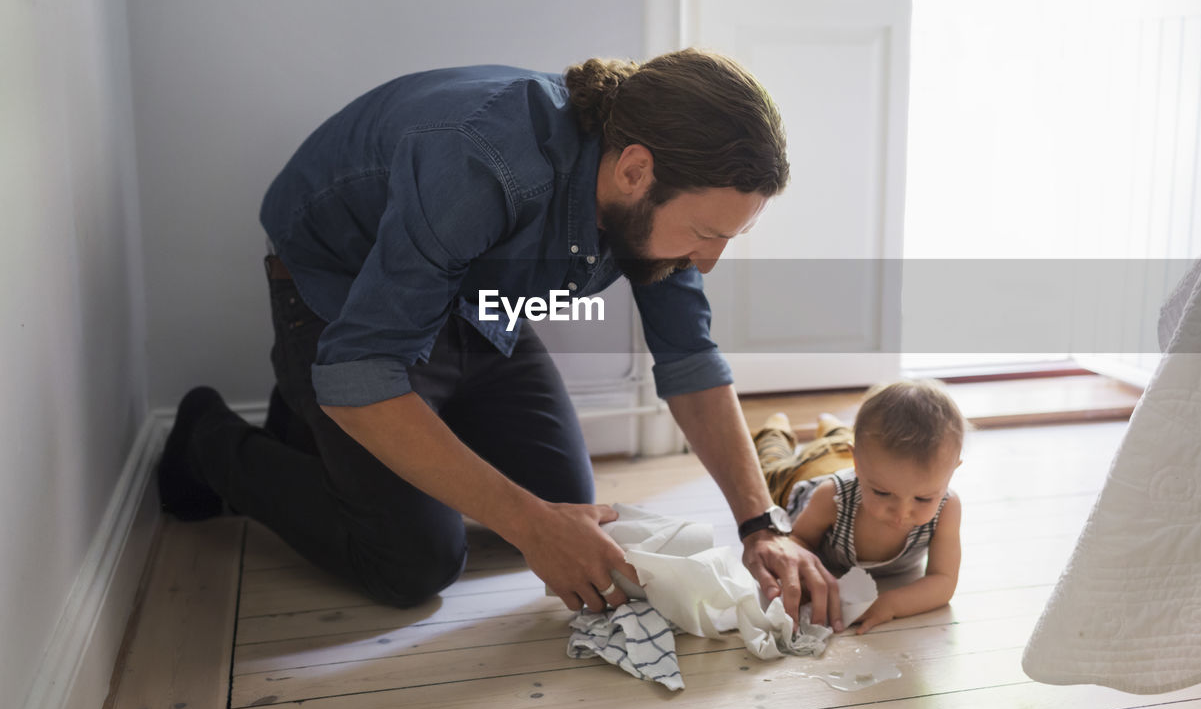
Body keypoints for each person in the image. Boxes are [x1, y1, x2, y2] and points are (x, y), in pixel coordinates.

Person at [157, 48, 845, 630]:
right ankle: (208, 439)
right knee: (416, 560)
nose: (710, 260)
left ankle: (307, 430)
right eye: (706, 233)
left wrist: (763, 527)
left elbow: (690, 357)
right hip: (343, 291)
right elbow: (360, 373)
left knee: (569, 503)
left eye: (729, 237)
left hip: (478, 300)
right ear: (635, 170)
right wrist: (531, 524)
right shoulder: (481, 163)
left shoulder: (655, 199)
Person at [753, 379, 966, 633]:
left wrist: (890, 604)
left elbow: (943, 581)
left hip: (851, 457)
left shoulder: (947, 508)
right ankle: (776, 428)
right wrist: (802, 581)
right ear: (858, 464)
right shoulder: (831, 498)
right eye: (882, 493)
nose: (901, 513)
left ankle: (832, 427)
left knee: (843, 443)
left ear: (951, 473)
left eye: (923, 499)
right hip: (805, 473)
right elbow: (798, 541)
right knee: (771, 468)